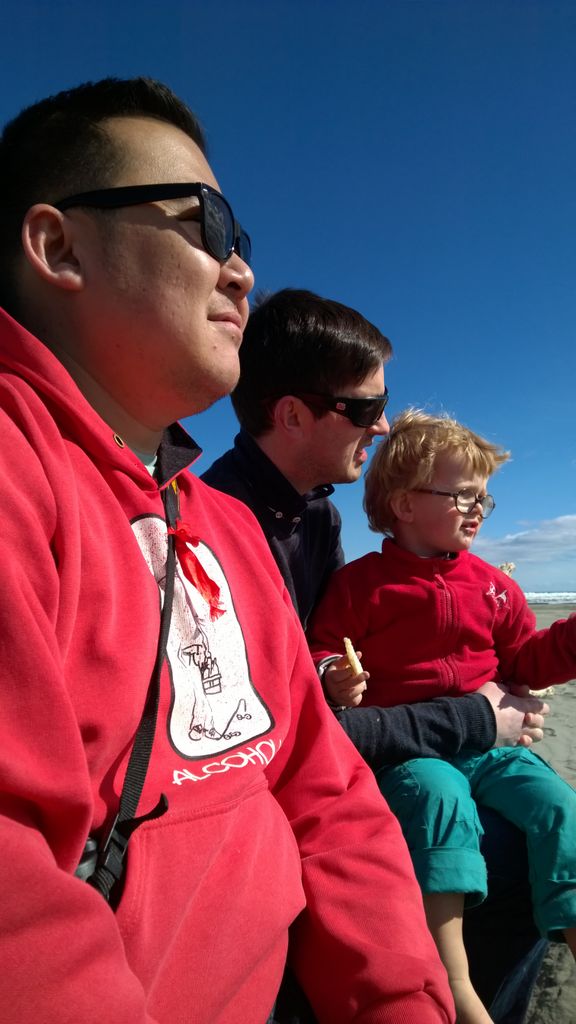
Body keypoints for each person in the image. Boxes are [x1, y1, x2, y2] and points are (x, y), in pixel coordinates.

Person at [0, 77, 458, 1024]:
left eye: (240, 238)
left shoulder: (224, 523)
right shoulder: (20, 472)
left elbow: (325, 790)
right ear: (58, 247)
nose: (242, 271)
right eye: (206, 223)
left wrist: (404, 1003)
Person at [203, 290, 550, 1022]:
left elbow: (328, 668)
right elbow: (281, 730)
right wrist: (476, 719)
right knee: (489, 849)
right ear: (292, 415)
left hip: (342, 765)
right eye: (366, 407)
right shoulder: (217, 524)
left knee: (539, 817)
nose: (384, 425)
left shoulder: (316, 516)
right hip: (277, 804)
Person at [308, 409, 576, 1024]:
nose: (478, 508)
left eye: (484, 497)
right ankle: (454, 979)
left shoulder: (494, 587)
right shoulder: (361, 586)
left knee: (559, 807)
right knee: (439, 802)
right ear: (403, 504)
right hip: (413, 751)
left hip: (494, 746)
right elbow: (323, 647)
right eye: (462, 495)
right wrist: (334, 675)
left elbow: (526, 661)